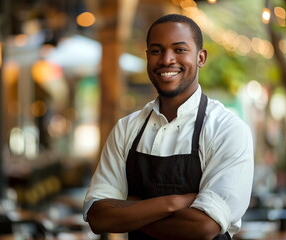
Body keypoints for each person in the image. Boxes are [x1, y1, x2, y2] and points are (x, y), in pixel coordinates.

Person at [83, 13, 254, 240]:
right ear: (147, 57)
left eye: (180, 50)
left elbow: (203, 228)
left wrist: (133, 209)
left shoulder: (227, 129)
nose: (166, 60)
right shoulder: (126, 129)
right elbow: (98, 217)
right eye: (157, 50)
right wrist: (174, 203)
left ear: (201, 57)